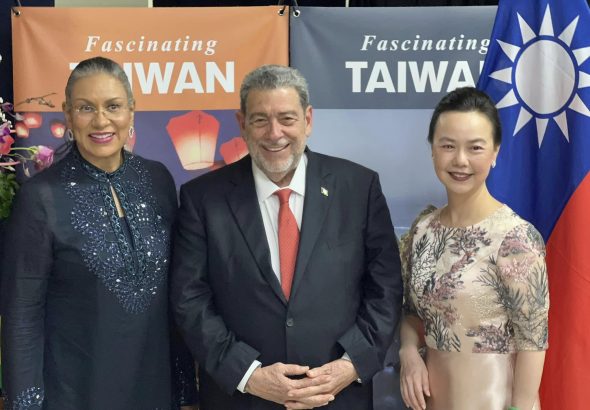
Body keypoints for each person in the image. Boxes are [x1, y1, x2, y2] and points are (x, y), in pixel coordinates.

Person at [170, 64, 402, 409]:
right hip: (243, 399)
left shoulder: (358, 187)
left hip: (338, 396)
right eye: (260, 119)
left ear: (307, 120)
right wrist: (248, 375)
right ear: (241, 123)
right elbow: (190, 299)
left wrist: (351, 364)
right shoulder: (202, 198)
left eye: (287, 119)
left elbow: (385, 287)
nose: (274, 133)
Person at [0, 56, 197, 410]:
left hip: (153, 387)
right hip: (75, 392)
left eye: (113, 106)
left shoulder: (158, 181)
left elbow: (174, 296)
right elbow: (22, 314)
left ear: (132, 111)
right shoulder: (40, 197)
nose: (101, 120)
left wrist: (184, 392)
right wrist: (25, 404)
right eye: (86, 108)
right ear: (68, 114)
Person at [399, 87, 549, 410]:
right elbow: (410, 313)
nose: (460, 160)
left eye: (475, 147)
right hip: (431, 401)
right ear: (432, 150)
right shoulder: (422, 230)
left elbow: (533, 341)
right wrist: (408, 352)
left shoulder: (515, 238)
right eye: (448, 146)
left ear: (495, 152)